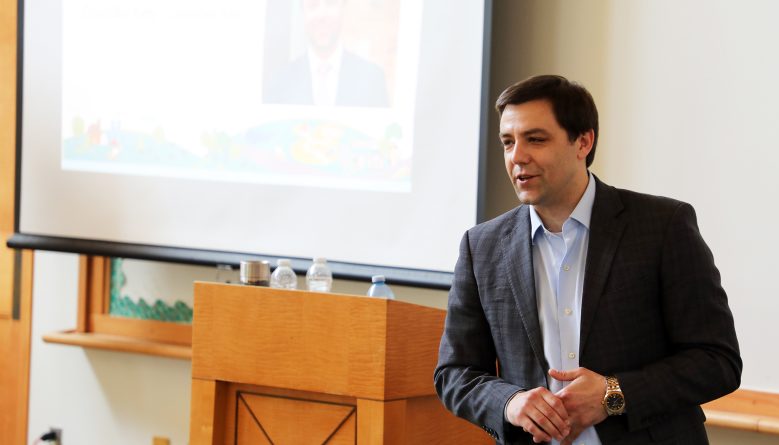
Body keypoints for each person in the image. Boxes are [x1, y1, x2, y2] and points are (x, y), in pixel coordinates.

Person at [434, 75, 741, 445]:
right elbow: (454, 373)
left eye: (535, 139)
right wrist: (510, 402)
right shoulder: (480, 246)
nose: (517, 156)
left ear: (583, 141)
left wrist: (614, 394)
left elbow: (716, 360)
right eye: (508, 142)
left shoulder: (663, 226)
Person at [263, 0, 389, 107]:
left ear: (343, 9)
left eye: (330, 3)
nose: (322, 15)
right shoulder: (280, 82)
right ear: (303, 13)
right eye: (313, 5)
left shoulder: (372, 80)